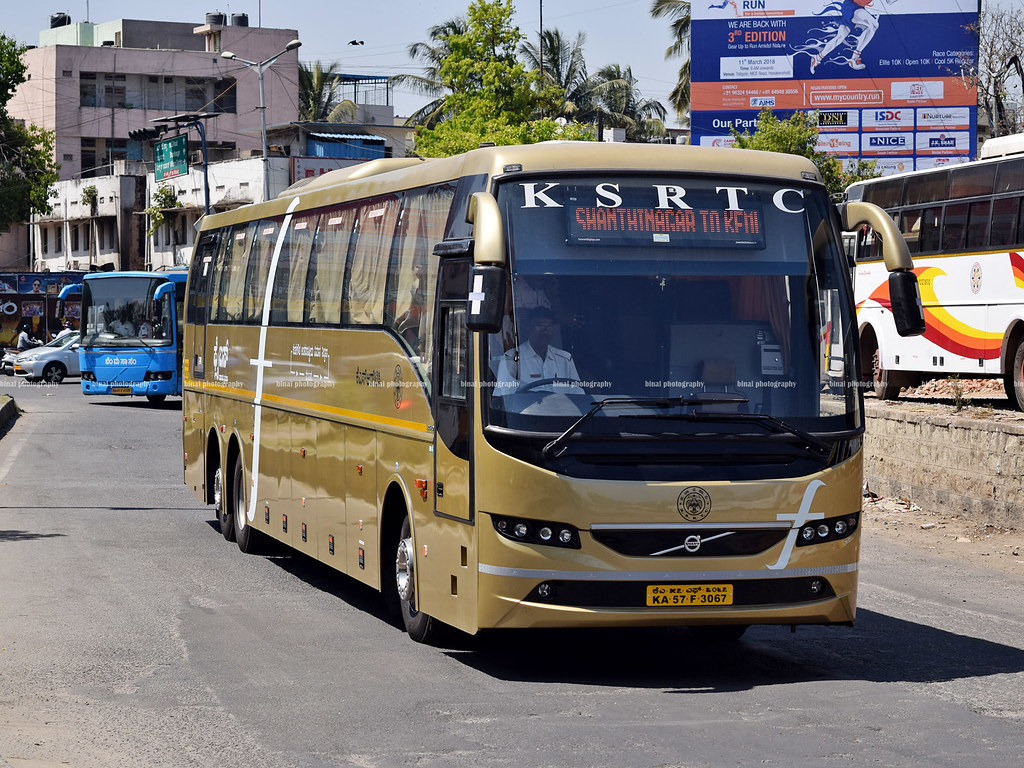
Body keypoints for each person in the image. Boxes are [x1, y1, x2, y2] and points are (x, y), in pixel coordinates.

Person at [494, 307, 583, 395]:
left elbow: (578, 394)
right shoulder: (511, 358)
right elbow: (506, 397)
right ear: (528, 329)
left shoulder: (565, 359)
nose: (545, 331)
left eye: (549, 326)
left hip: (563, 409)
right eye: (539, 325)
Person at [808, 0, 895, 74]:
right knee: (873, 25)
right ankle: (854, 58)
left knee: (840, 37)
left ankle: (817, 57)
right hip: (852, 7)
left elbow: (889, 1)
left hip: (856, 7)